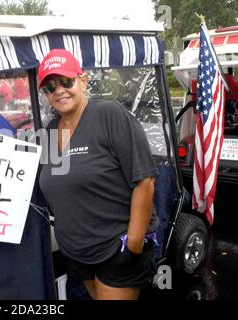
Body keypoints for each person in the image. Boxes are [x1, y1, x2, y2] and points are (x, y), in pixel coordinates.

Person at [38, 49, 159, 300]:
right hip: (76, 253)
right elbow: (54, 183)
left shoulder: (109, 114)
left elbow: (145, 179)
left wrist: (133, 244)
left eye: (66, 81)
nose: (59, 90)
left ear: (83, 80)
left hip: (115, 249)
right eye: (50, 87)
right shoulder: (50, 132)